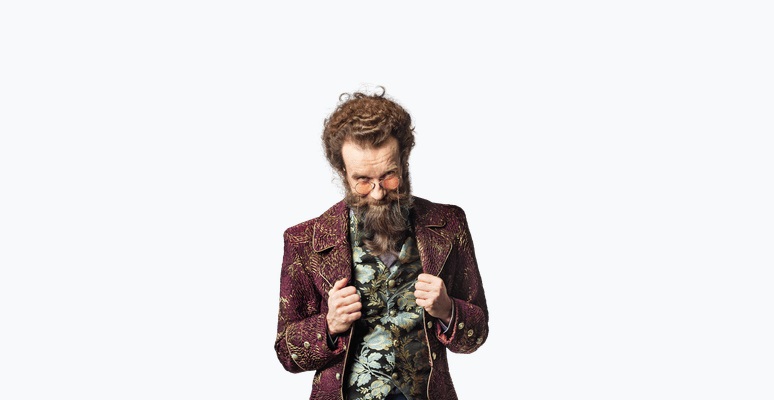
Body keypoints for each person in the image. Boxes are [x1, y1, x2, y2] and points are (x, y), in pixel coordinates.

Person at [274, 87, 488, 400]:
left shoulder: (448, 224)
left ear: (404, 162)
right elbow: (286, 353)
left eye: (389, 176)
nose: (377, 192)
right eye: (362, 180)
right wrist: (329, 324)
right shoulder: (304, 240)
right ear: (342, 172)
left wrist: (447, 310)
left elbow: (476, 334)